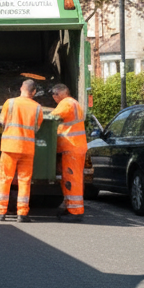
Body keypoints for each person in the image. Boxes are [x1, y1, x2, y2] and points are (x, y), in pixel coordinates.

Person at [0, 79, 44, 223]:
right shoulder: (38, 108)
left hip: (10, 147)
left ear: (21, 88)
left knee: (5, 178)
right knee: (25, 181)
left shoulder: (10, 103)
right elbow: (36, 128)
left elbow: (1, 122)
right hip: (27, 148)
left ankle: (0, 212)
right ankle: (22, 213)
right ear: (34, 92)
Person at [50, 83, 87, 222]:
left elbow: (52, 117)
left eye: (54, 96)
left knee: (72, 179)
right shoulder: (74, 103)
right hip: (74, 147)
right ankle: (69, 206)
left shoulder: (66, 104)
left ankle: (76, 211)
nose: (54, 99)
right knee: (69, 178)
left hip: (72, 147)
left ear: (57, 94)